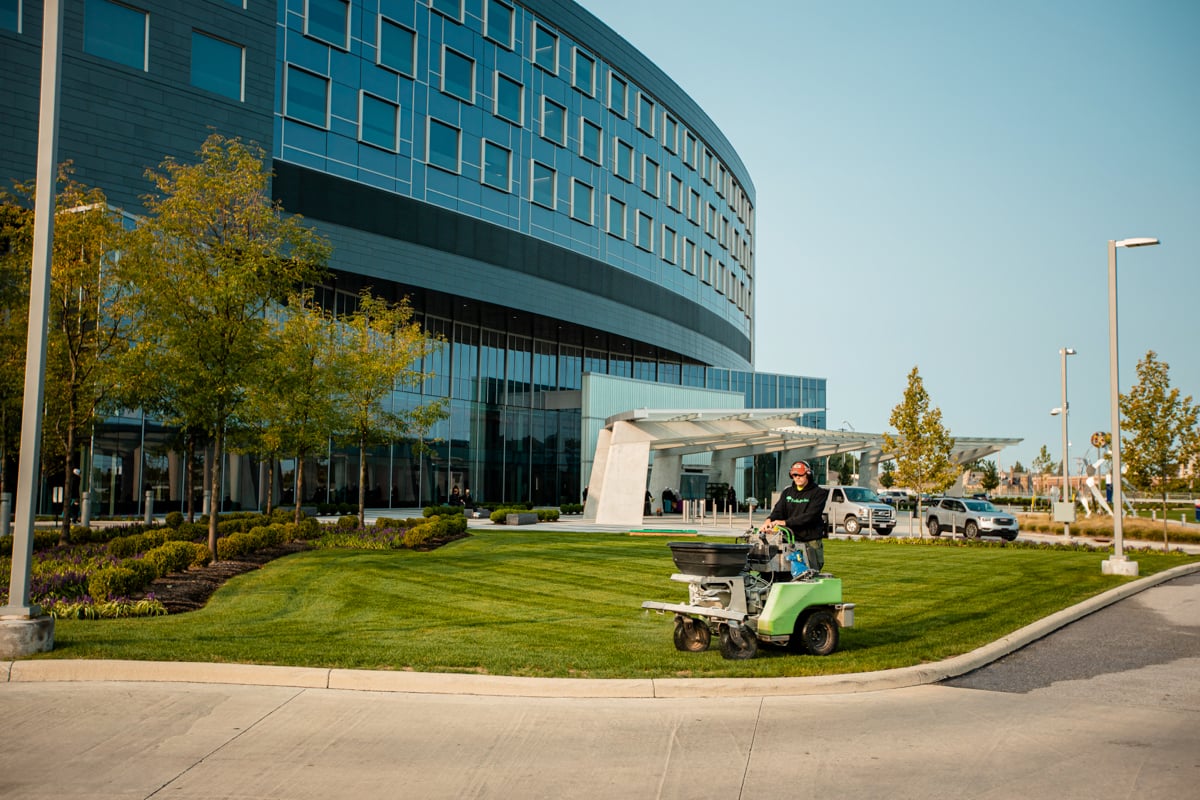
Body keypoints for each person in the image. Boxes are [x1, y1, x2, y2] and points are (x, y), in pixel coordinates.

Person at [761, 460, 829, 573]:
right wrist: (769, 520)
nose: (797, 477)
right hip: (789, 540)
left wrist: (785, 522)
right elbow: (778, 510)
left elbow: (810, 516)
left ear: (808, 474)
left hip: (810, 541)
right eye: (794, 475)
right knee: (786, 572)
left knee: (810, 572)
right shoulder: (788, 492)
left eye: (800, 475)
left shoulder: (819, 493)